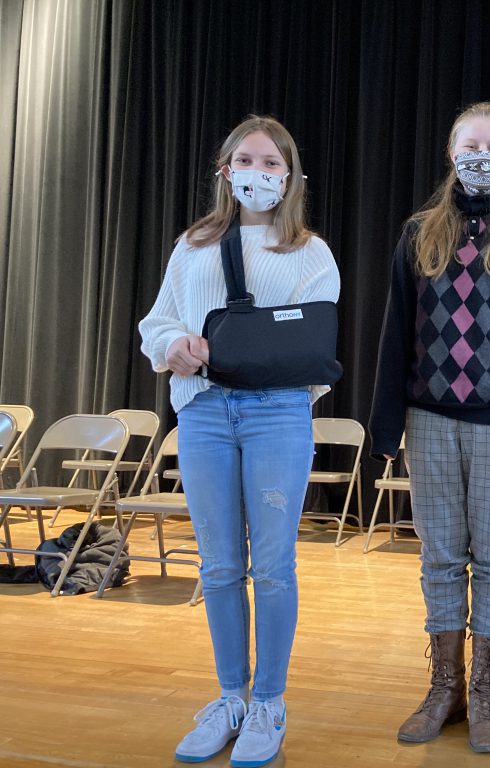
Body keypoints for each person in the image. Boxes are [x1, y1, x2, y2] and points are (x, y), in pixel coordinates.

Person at [139, 115, 340, 767]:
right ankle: (230, 697)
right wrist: (176, 346)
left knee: (273, 566)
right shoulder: (195, 244)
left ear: (290, 175)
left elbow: (310, 347)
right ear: (226, 170)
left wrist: (251, 360)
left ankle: (269, 702)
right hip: (203, 413)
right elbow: (160, 319)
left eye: (273, 162)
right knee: (221, 565)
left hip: (277, 414)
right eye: (247, 160)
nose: (260, 171)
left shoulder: (311, 252)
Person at [369, 101, 490, 753]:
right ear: (452, 155)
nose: (482, 156)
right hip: (427, 423)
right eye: (469, 145)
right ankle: (444, 688)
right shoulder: (420, 231)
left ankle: (485, 694)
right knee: (440, 557)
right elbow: (397, 331)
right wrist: (384, 428)